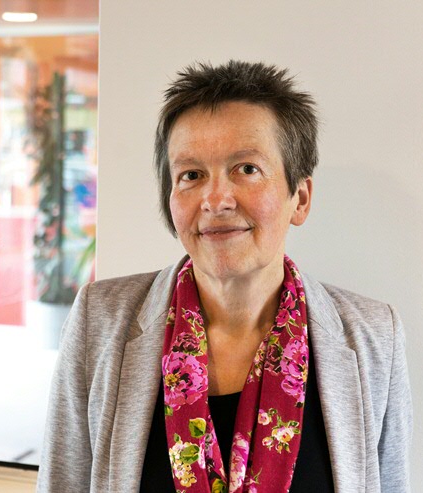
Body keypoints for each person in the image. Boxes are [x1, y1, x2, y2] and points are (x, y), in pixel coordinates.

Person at [36, 61, 412, 493]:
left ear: (300, 198)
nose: (215, 200)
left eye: (247, 169)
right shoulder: (99, 322)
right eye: (191, 175)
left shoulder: (373, 337)